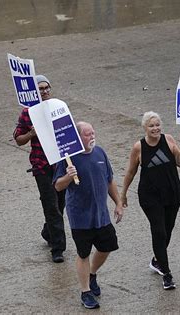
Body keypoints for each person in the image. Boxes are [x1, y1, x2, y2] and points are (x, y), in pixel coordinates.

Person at [53, 122, 123, 309]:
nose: (92, 136)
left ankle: (91, 274)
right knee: (83, 253)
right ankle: (85, 292)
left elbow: (109, 180)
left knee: (107, 246)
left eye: (93, 133)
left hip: (101, 214)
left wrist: (118, 203)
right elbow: (58, 186)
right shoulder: (68, 158)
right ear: (77, 137)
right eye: (87, 134)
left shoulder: (100, 153)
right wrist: (68, 176)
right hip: (80, 216)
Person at [120, 111, 180, 290]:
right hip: (150, 197)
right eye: (151, 126)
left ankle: (157, 260)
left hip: (172, 194)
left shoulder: (169, 140)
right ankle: (167, 274)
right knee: (159, 232)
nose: (155, 128)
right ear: (144, 128)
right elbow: (130, 172)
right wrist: (123, 194)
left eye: (157, 125)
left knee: (167, 230)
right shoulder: (139, 147)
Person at [13, 75, 66, 263]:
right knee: (50, 205)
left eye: (46, 87)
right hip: (41, 165)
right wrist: (31, 133)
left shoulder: (58, 107)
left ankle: (48, 231)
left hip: (60, 164)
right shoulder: (28, 113)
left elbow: (68, 132)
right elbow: (18, 139)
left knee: (60, 203)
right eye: (40, 88)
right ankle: (58, 249)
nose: (44, 91)